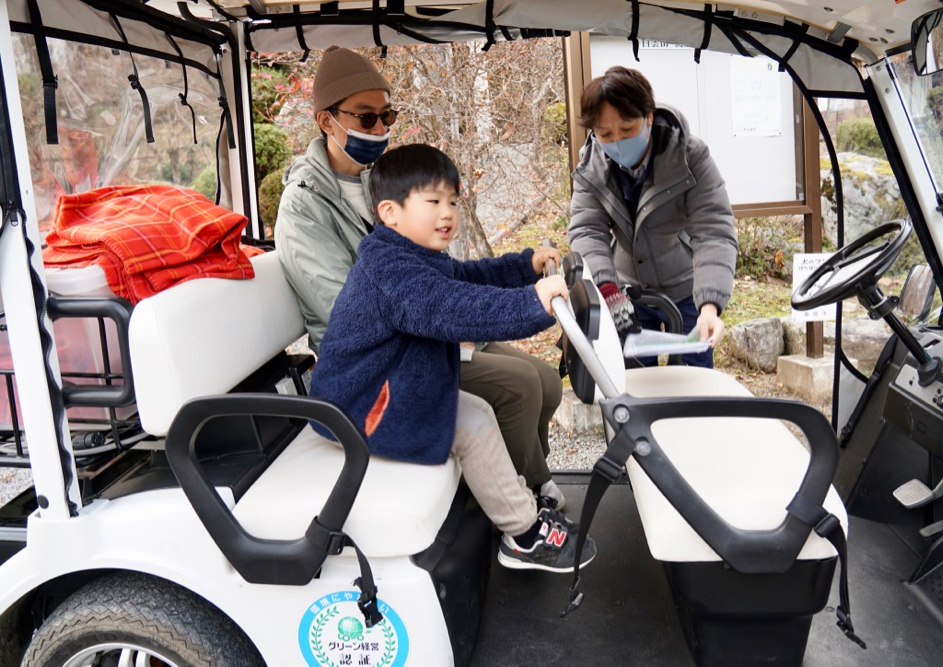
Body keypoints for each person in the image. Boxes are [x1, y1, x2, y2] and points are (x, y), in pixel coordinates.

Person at [274, 46, 565, 509]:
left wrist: (520, 271)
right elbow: (345, 307)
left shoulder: (384, 179)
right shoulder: (304, 204)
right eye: (367, 119)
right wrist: (466, 321)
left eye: (387, 116)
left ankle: (522, 479)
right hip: (382, 360)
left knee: (546, 381)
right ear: (326, 121)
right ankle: (516, 502)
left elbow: (445, 276)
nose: (382, 130)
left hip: (423, 324)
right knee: (520, 387)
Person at [309, 144, 596, 572]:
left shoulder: (411, 256)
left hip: (384, 389)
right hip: (360, 408)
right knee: (475, 421)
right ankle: (523, 534)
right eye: (433, 202)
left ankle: (517, 505)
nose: (448, 213)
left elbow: (467, 278)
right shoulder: (390, 272)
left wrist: (525, 267)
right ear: (390, 212)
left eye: (453, 202)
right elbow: (457, 308)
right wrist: (533, 303)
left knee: (478, 413)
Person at [568, 66, 737, 368]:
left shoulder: (689, 155)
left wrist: (709, 306)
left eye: (627, 129)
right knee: (633, 387)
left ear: (648, 117)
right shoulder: (591, 168)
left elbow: (713, 230)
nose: (617, 141)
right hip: (626, 289)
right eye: (604, 133)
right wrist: (609, 292)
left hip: (686, 287)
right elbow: (587, 232)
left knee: (693, 382)